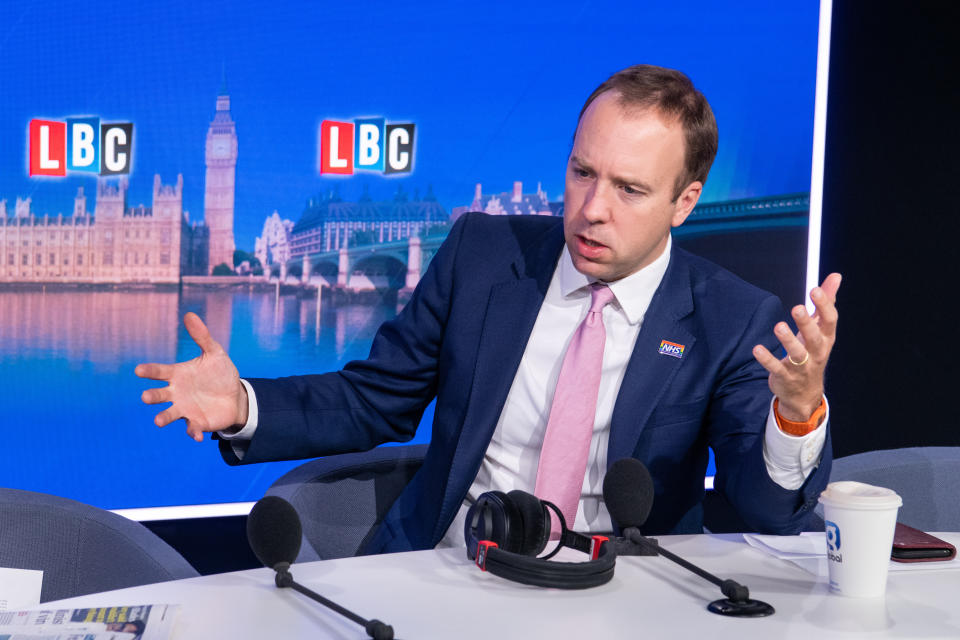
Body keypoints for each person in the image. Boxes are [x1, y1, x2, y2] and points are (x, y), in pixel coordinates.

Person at [136, 65, 840, 552]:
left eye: (628, 189)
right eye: (582, 173)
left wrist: (797, 413)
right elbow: (374, 401)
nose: (591, 210)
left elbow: (767, 508)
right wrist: (244, 404)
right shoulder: (481, 254)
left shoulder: (732, 318)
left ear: (685, 202)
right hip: (451, 572)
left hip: (625, 602)